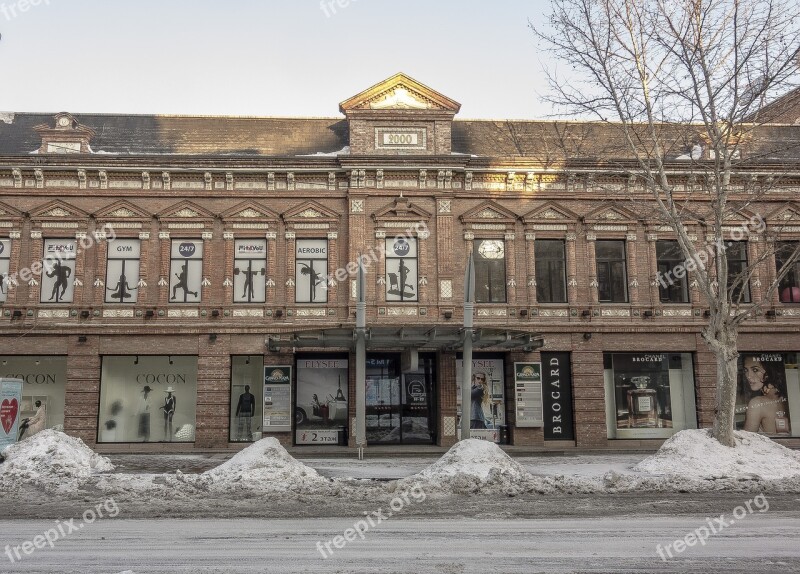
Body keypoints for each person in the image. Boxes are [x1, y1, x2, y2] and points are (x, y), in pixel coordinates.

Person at [742, 355, 791, 435]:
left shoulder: (757, 403)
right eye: (746, 370)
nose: (748, 376)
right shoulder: (788, 396)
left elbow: (746, 442)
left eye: (755, 370)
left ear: (770, 371)